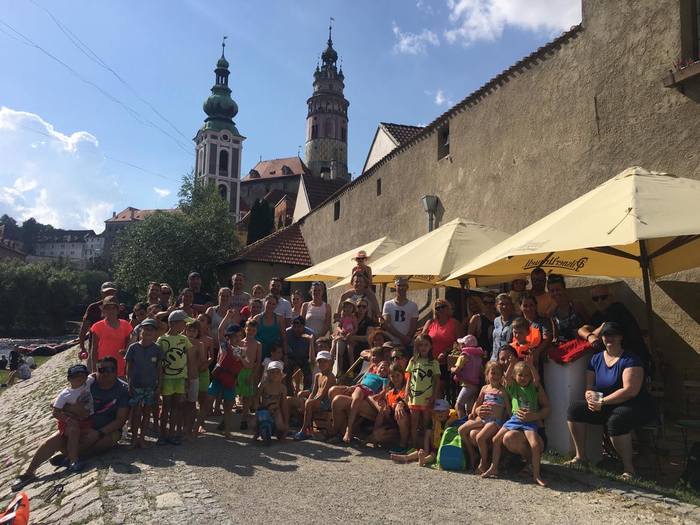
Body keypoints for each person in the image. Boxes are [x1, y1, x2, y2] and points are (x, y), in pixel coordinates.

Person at [11, 356, 129, 491]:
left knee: (106, 441)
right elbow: (55, 402)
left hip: (106, 430)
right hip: (81, 424)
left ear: (116, 370)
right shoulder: (87, 382)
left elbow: (120, 420)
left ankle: (70, 457)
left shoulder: (122, 389)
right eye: (102, 370)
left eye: (111, 369)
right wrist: (73, 409)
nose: (106, 373)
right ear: (96, 371)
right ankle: (28, 473)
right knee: (53, 440)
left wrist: (99, 432)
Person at [566, 321, 654, 479]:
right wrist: (590, 396)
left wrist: (602, 402)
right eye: (606, 335)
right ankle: (580, 457)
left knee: (616, 420)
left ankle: (629, 469)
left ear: (621, 337)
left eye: (613, 334)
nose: (609, 338)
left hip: (633, 405)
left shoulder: (631, 360)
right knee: (575, 410)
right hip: (605, 403)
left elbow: (630, 391)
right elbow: (589, 386)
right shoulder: (596, 359)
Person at [483, 358, 550, 486]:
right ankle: (494, 467)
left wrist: (531, 366)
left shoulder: (533, 387)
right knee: (496, 439)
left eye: (526, 375)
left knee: (535, 444)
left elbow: (537, 380)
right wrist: (512, 364)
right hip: (515, 419)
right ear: (515, 376)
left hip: (529, 420)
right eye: (520, 375)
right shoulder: (513, 387)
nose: (523, 378)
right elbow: (507, 378)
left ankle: (536, 475)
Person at [577, 284, 651, 373]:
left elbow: (602, 329)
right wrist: (589, 336)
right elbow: (581, 330)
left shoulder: (618, 309)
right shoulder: (597, 316)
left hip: (633, 361)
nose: (600, 301)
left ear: (611, 297)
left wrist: (591, 335)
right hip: (615, 362)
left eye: (603, 297)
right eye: (595, 299)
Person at [458, 361, 508, 472]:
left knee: (480, 437)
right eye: (493, 373)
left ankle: (483, 462)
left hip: (494, 421)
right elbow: (478, 402)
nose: (495, 376)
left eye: (498, 374)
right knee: (461, 430)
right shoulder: (485, 388)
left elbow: (508, 408)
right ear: (487, 374)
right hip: (482, 418)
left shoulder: (502, 391)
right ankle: (472, 454)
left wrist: (506, 421)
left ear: (502, 376)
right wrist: (473, 412)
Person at [124, 319, 162, 448]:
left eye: (151, 330)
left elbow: (159, 368)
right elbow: (128, 368)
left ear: (155, 333)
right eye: (145, 329)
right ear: (140, 331)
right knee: (136, 412)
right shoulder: (133, 348)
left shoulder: (157, 349)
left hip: (150, 386)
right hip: (136, 385)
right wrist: (129, 383)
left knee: (147, 412)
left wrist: (159, 385)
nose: (148, 332)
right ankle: (134, 438)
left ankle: (142, 438)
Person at [156, 309, 192, 445]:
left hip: (180, 378)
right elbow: (159, 361)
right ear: (174, 323)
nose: (185, 326)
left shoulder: (184, 339)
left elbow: (188, 359)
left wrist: (188, 377)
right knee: (166, 407)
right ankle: (162, 435)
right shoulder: (162, 339)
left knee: (177, 407)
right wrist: (159, 380)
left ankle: (172, 434)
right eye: (183, 323)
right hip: (167, 378)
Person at [51, 364, 94, 472]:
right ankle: (73, 461)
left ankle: (68, 457)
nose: (79, 378)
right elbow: (55, 412)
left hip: (86, 419)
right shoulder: (64, 394)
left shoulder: (88, 382)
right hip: (68, 422)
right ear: (69, 379)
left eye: (82, 375)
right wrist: (69, 420)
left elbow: (95, 375)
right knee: (74, 431)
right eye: (75, 376)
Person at [390, 399, 457, 466]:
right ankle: (406, 457)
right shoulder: (433, 420)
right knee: (421, 451)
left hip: (445, 448)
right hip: (434, 446)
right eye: (437, 411)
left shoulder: (453, 421)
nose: (440, 413)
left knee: (433, 455)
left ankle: (423, 460)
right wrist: (426, 451)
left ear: (448, 411)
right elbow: (427, 436)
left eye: (442, 411)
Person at [208, 324, 247, 438]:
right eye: (235, 336)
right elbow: (220, 330)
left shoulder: (241, 350)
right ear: (229, 337)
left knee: (228, 408)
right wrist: (227, 316)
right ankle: (198, 427)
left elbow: (247, 365)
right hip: (218, 379)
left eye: (239, 336)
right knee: (207, 403)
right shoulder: (224, 345)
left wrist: (241, 358)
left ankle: (227, 431)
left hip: (230, 381)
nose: (237, 338)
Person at [405, 334, 440, 449]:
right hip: (414, 396)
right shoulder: (413, 360)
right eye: (421, 345)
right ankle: (414, 447)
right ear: (417, 346)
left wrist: (434, 396)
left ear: (430, 346)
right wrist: (407, 391)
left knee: (426, 423)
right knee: (414, 423)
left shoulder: (434, 362)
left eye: (426, 345)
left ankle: (426, 447)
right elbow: (409, 377)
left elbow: (436, 381)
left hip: (427, 397)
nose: (423, 347)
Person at [294, 351, 336, 440]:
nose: (322, 364)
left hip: (326, 403)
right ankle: (307, 427)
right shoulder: (317, 375)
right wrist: (308, 400)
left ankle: (304, 430)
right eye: (320, 361)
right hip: (318, 401)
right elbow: (313, 392)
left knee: (309, 403)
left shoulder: (330, 377)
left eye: (324, 361)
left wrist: (309, 402)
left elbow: (323, 395)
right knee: (302, 401)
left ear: (329, 362)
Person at [367, 363, 410, 449]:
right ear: (389, 377)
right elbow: (384, 415)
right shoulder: (389, 393)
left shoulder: (406, 389)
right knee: (376, 436)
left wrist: (400, 404)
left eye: (398, 375)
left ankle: (403, 444)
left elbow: (407, 400)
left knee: (400, 414)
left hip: (406, 424)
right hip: (394, 426)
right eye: (392, 376)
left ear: (402, 375)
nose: (395, 378)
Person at [89, 295, 132, 377]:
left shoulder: (126, 325)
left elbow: (128, 346)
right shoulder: (97, 326)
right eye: (108, 308)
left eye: (113, 308)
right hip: (103, 366)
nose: (111, 311)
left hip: (120, 365)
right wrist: (94, 369)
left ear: (118, 310)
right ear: (104, 310)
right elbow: (94, 349)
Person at [78, 281, 118, 367]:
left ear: (115, 293)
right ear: (101, 293)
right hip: (95, 349)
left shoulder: (120, 308)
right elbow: (84, 328)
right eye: (106, 292)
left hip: (116, 349)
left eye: (111, 292)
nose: (109, 294)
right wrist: (82, 347)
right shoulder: (93, 308)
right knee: (94, 371)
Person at [451, 334, 485, 418]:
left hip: (467, 385)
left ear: (464, 345)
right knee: (469, 409)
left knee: (458, 405)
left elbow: (457, 370)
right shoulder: (478, 357)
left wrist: (452, 369)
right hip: (475, 385)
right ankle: (469, 423)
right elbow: (481, 371)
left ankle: (461, 423)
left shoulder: (463, 356)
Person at [256, 360, 289, 444]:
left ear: (281, 375)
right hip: (264, 408)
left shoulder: (282, 388)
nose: (274, 374)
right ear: (268, 373)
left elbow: (284, 404)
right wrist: (256, 406)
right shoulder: (263, 384)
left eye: (277, 372)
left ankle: (283, 432)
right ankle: (257, 432)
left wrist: (286, 421)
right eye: (272, 372)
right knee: (253, 423)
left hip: (276, 409)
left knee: (280, 425)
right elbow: (257, 397)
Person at [382, 277, 419, 349]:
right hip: (391, 343)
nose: (401, 288)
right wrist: (402, 337)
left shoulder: (413, 306)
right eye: (399, 285)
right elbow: (387, 324)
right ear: (395, 287)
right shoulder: (388, 304)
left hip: (406, 343)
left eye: (404, 285)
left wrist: (407, 339)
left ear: (407, 287)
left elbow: (413, 326)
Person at [239, 319, 262, 430]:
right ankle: (226, 419)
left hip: (250, 372)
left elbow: (258, 361)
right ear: (245, 329)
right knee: (233, 395)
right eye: (249, 330)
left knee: (247, 397)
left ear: (256, 331)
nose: (250, 332)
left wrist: (252, 375)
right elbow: (236, 358)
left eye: (253, 330)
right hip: (239, 371)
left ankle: (244, 418)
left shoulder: (258, 344)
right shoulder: (240, 343)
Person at [194, 313, 215, 433]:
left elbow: (211, 356)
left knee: (203, 399)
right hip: (191, 371)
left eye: (202, 320)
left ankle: (201, 423)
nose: (199, 322)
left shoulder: (209, 340)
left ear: (207, 324)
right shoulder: (189, 337)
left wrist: (206, 364)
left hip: (203, 371)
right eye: (198, 319)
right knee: (191, 399)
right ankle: (189, 422)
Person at [184, 319, 203, 438]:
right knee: (181, 403)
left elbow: (202, 360)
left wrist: (195, 367)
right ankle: (181, 427)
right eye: (189, 330)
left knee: (191, 404)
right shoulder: (181, 341)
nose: (191, 333)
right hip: (181, 376)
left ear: (197, 332)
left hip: (193, 376)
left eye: (194, 331)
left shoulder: (199, 344)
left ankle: (189, 429)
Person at [286, 316, 314, 393]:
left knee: (308, 373)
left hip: (305, 358)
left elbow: (313, 350)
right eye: (294, 327)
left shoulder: (310, 333)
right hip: (291, 357)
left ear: (303, 326)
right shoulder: (287, 333)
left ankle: (306, 392)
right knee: (287, 371)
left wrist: (310, 340)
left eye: (299, 327)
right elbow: (283, 347)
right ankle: (289, 393)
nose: (296, 329)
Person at [254, 294, 287, 360]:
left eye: (273, 304)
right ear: (264, 302)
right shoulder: (257, 318)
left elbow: (284, 338)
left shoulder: (280, 319)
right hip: (259, 354)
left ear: (276, 305)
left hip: (275, 355)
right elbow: (252, 337)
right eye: (269, 303)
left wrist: (285, 355)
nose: (271, 306)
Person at [332, 299, 358, 373]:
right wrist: (341, 331)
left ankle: (351, 370)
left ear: (353, 308)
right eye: (346, 307)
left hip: (350, 337)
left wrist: (351, 333)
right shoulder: (343, 317)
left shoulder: (353, 318)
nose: (348, 309)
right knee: (340, 352)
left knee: (350, 352)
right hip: (342, 336)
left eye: (350, 307)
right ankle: (339, 370)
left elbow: (356, 328)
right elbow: (338, 326)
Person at [492, 293, 515, 361]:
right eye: (501, 304)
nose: (504, 306)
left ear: (511, 306)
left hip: (508, 359)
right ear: (496, 305)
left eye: (507, 304)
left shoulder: (516, 320)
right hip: (495, 358)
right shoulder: (496, 320)